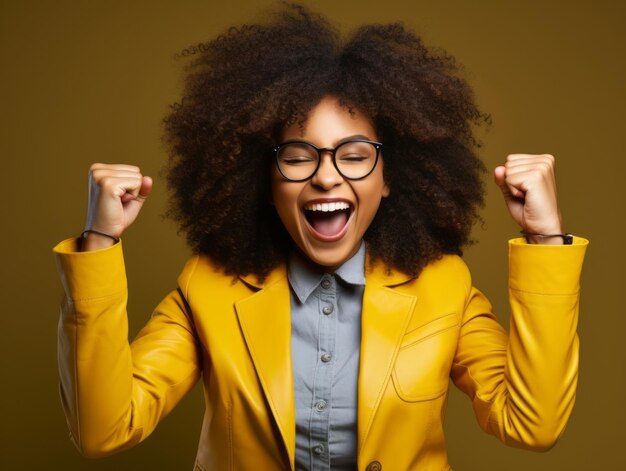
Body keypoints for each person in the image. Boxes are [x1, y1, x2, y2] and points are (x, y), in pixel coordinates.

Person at [53, 4, 588, 470]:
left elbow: (531, 424)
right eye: (298, 156)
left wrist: (545, 240)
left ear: (389, 178)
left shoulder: (446, 288)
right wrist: (99, 240)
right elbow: (104, 431)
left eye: (355, 156)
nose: (327, 176)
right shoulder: (207, 289)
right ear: (264, 182)